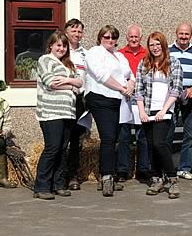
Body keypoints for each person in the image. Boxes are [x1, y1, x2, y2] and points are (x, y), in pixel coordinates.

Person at [85, 25, 134, 197]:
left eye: (113, 37)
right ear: (100, 38)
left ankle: (107, 174)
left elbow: (130, 75)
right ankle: (106, 177)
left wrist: (130, 86)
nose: (110, 40)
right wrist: (122, 88)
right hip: (100, 97)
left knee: (114, 138)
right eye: (106, 37)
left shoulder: (119, 55)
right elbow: (101, 75)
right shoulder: (94, 52)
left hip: (118, 100)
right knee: (108, 137)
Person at [34, 32, 83, 200]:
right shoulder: (45, 60)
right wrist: (70, 85)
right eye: (58, 45)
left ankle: (59, 184)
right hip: (50, 112)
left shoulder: (68, 64)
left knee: (63, 149)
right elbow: (51, 82)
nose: (61, 48)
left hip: (68, 112)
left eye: (64, 46)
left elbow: (80, 83)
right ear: (51, 46)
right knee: (52, 148)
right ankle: (41, 186)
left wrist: (67, 81)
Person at [136, 32, 183, 199]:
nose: (155, 48)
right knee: (151, 146)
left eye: (158, 44)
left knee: (159, 144)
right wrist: (141, 111)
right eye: (152, 45)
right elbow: (139, 89)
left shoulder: (174, 63)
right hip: (148, 110)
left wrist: (164, 110)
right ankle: (157, 179)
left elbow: (176, 89)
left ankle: (172, 178)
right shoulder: (144, 64)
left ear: (163, 45)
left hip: (165, 111)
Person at [116, 24, 150, 186]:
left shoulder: (148, 53)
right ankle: (123, 170)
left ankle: (143, 169)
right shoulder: (119, 54)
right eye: (131, 36)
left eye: (136, 37)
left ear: (141, 38)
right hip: (125, 99)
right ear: (127, 37)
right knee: (124, 137)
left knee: (143, 137)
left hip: (142, 100)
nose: (134, 39)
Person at [167, 23, 192, 180]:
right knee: (168, 132)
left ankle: (184, 168)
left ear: (191, 35)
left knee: (189, 134)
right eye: (181, 33)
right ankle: (167, 169)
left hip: (190, 95)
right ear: (176, 33)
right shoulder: (167, 51)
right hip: (171, 96)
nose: (183, 36)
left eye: (187, 34)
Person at [63, 19, 87, 191]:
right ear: (66, 32)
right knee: (61, 139)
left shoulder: (85, 54)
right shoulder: (61, 51)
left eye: (79, 31)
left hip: (80, 100)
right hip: (63, 99)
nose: (77, 34)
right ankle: (59, 175)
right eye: (73, 31)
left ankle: (72, 175)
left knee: (75, 140)